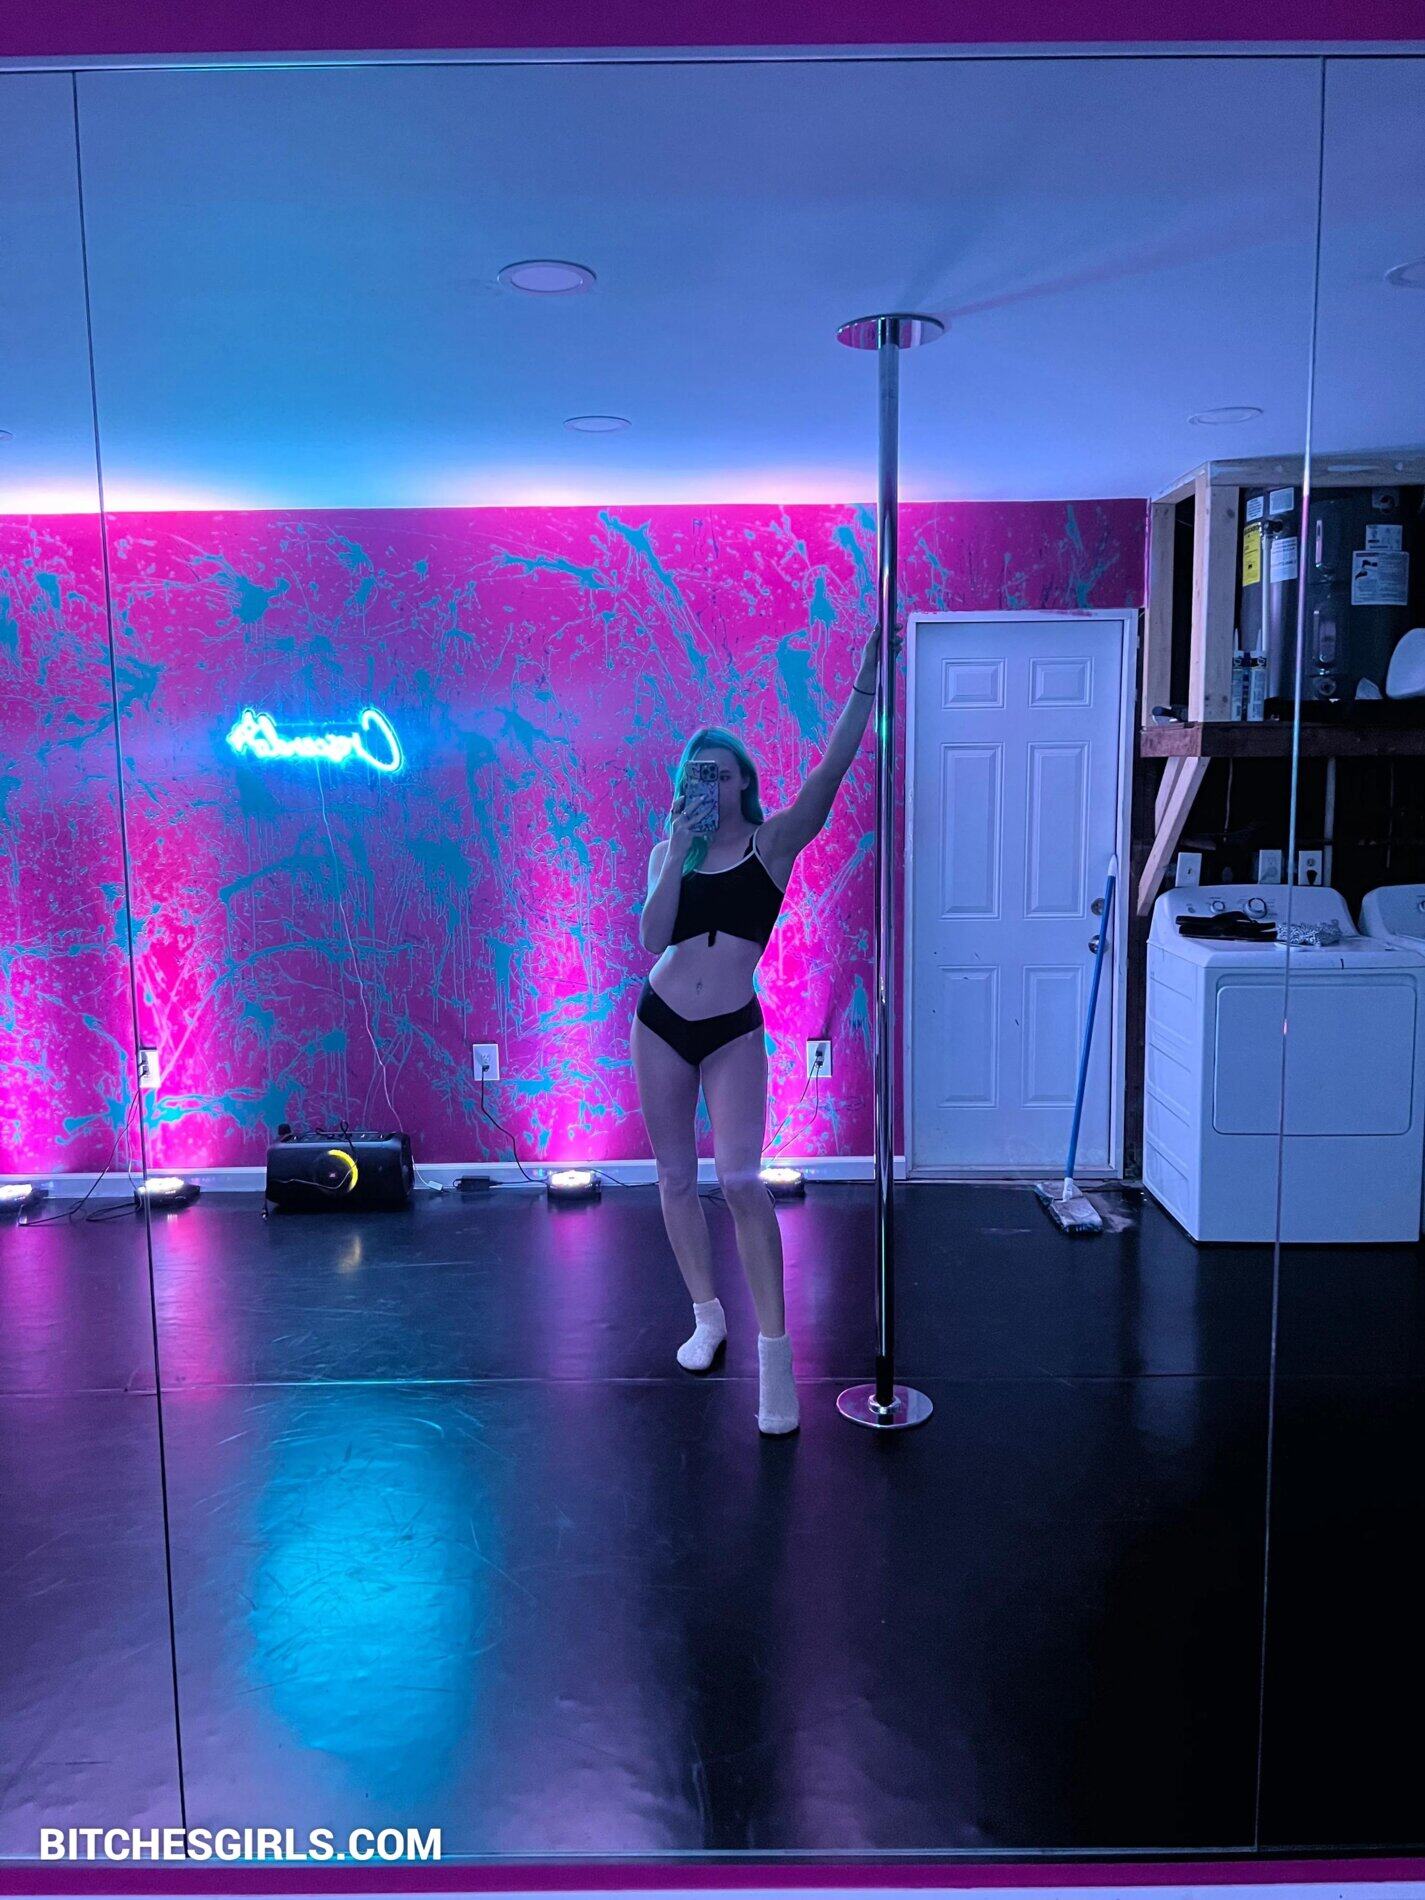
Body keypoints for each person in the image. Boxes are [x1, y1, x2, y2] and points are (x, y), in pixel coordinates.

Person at [632, 625, 896, 1435]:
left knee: (742, 1181)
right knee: (675, 1177)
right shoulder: (668, 850)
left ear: (744, 779)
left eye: (719, 772)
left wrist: (864, 683)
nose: (707, 782)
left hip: (732, 1029)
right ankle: (705, 1316)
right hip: (660, 1022)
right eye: (695, 773)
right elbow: (651, 938)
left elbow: (829, 775)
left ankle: (774, 1358)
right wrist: (678, 851)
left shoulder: (772, 844)